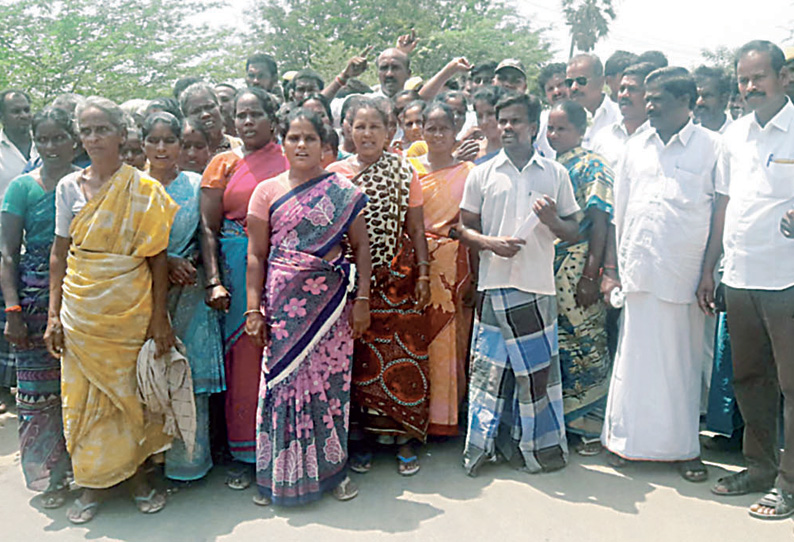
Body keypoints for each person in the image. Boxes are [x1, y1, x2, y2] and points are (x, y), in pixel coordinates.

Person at [44, 96, 178, 523]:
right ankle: (90, 485)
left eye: (103, 129)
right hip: (81, 311)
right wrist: (52, 315)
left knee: (130, 394)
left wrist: (159, 317)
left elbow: (158, 259)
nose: (95, 137)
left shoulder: (145, 189)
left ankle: (137, 478)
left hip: (131, 308)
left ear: (123, 134)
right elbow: (58, 255)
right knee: (82, 398)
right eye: (87, 130)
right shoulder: (68, 188)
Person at [599, 67, 727, 482]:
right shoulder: (636, 145)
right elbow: (619, 211)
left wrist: (709, 271)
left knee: (682, 362)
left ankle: (683, 449)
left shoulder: (713, 147)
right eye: (647, 97)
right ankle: (624, 443)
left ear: (686, 101)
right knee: (633, 360)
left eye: (657, 98)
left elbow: (719, 213)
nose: (648, 104)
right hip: (639, 268)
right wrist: (612, 270)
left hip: (685, 273)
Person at [246, 109, 371, 506]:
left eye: (310, 138)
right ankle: (275, 477)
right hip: (282, 308)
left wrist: (363, 300)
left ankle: (332, 473)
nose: (301, 145)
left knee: (330, 389)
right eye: (294, 138)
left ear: (325, 145)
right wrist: (254, 309)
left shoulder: (342, 191)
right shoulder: (266, 191)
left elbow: (362, 249)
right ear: (282, 143)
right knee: (280, 386)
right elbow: (256, 255)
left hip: (331, 309)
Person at [458, 92, 580, 476]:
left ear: (533, 127)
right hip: (494, 285)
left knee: (536, 377)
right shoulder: (482, 172)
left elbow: (574, 230)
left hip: (536, 287)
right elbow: (461, 227)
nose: (507, 128)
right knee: (489, 374)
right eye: (502, 120)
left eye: (515, 121)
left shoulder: (554, 173)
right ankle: (482, 450)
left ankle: (539, 452)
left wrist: (552, 222)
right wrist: (490, 244)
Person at [711, 40, 794, 520]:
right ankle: (759, 468)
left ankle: (789, 482)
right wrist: (713, 268)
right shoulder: (733, 135)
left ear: (783, 77)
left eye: (758, 77)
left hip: (786, 278)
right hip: (740, 275)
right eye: (743, 79)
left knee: (792, 384)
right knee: (749, 377)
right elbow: (724, 204)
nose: (749, 86)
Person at [327, 97, 431, 476]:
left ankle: (403, 438)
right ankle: (361, 440)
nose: (367, 133)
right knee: (356, 361)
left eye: (375, 127)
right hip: (349, 280)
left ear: (390, 132)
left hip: (396, 279)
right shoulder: (334, 174)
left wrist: (421, 273)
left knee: (401, 357)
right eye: (360, 126)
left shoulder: (405, 172)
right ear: (348, 131)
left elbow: (415, 228)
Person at [200, 87, 288, 490]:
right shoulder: (223, 163)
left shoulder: (293, 158)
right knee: (244, 359)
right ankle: (244, 451)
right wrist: (214, 279)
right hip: (237, 269)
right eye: (241, 115)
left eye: (255, 113)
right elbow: (208, 228)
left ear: (273, 116)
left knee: (282, 354)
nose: (248, 121)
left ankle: (283, 446)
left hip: (285, 267)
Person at [0, 107, 78, 509]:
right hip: (33, 301)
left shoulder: (87, 184)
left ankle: (89, 472)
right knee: (37, 395)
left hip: (83, 295)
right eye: (42, 139)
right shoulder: (22, 188)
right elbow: (8, 254)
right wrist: (12, 310)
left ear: (74, 140)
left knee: (81, 390)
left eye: (58, 138)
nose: (50, 147)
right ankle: (50, 477)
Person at [141, 112, 225, 482]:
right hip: (143, 292)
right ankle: (153, 461)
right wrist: (165, 262)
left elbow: (209, 232)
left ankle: (189, 462)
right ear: (142, 143)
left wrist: (186, 262)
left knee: (190, 376)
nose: (162, 148)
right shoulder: (132, 186)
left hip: (190, 289)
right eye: (153, 140)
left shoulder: (194, 184)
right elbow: (124, 244)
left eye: (169, 140)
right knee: (150, 374)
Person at [545, 100, 613, 456]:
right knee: (562, 343)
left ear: (581, 130)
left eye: (562, 129)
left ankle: (592, 425)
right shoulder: (552, 165)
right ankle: (568, 424)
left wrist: (592, 273)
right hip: (550, 267)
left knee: (587, 339)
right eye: (551, 129)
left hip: (578, 265)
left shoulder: (593, 165)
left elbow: (601, 220)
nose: (554, 135)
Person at [408, 103, 474, 437]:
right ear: (421, 130)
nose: (436, 135)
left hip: (452, 263)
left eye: (443, 129)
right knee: (416, 337)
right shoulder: (408, 168)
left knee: (449, 340)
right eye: (430, 128)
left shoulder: (468, 171)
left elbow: (471, 221)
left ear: (455, 131)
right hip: (413, 262)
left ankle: (445, 418)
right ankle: (412, 416)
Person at [0, 89, 36, 412]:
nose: (23, 116)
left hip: (36, 243)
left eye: (26, 110)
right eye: (16, 111)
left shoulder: (45, 145)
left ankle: (19, 381)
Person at [590, 62, 654, 168]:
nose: (624, 95)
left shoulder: (657, 138)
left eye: (632, 89)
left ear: (648, 94)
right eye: (622, 89)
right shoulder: (604, 136)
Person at [566, 54, 621, 149]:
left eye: (581, 81)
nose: (574, 87)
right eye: (569, 82)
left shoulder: (619, 117)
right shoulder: (563, 119)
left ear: (601, 82)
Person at [180, 82, 243, 156]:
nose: (205, 115)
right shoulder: (184, 156)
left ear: (220, 108)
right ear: (186, 118)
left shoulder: (241, 146)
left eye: (209, 107)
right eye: (196, 111)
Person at [535, 62, 570, 159]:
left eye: (560, 85)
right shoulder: (540, 121)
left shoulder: (588, 116)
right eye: (550, 89)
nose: (556, 92)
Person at [694, 66, 733, 133]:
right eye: (696, 96)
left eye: (707, 96)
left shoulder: (740, 135)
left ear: (724, 98)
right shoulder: (688, 137)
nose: (698, 102)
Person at [472, 86, 504, 164]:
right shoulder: (473, 152)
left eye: (490, 114)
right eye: (479, 116)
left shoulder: (519, 151)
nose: (484, 121)